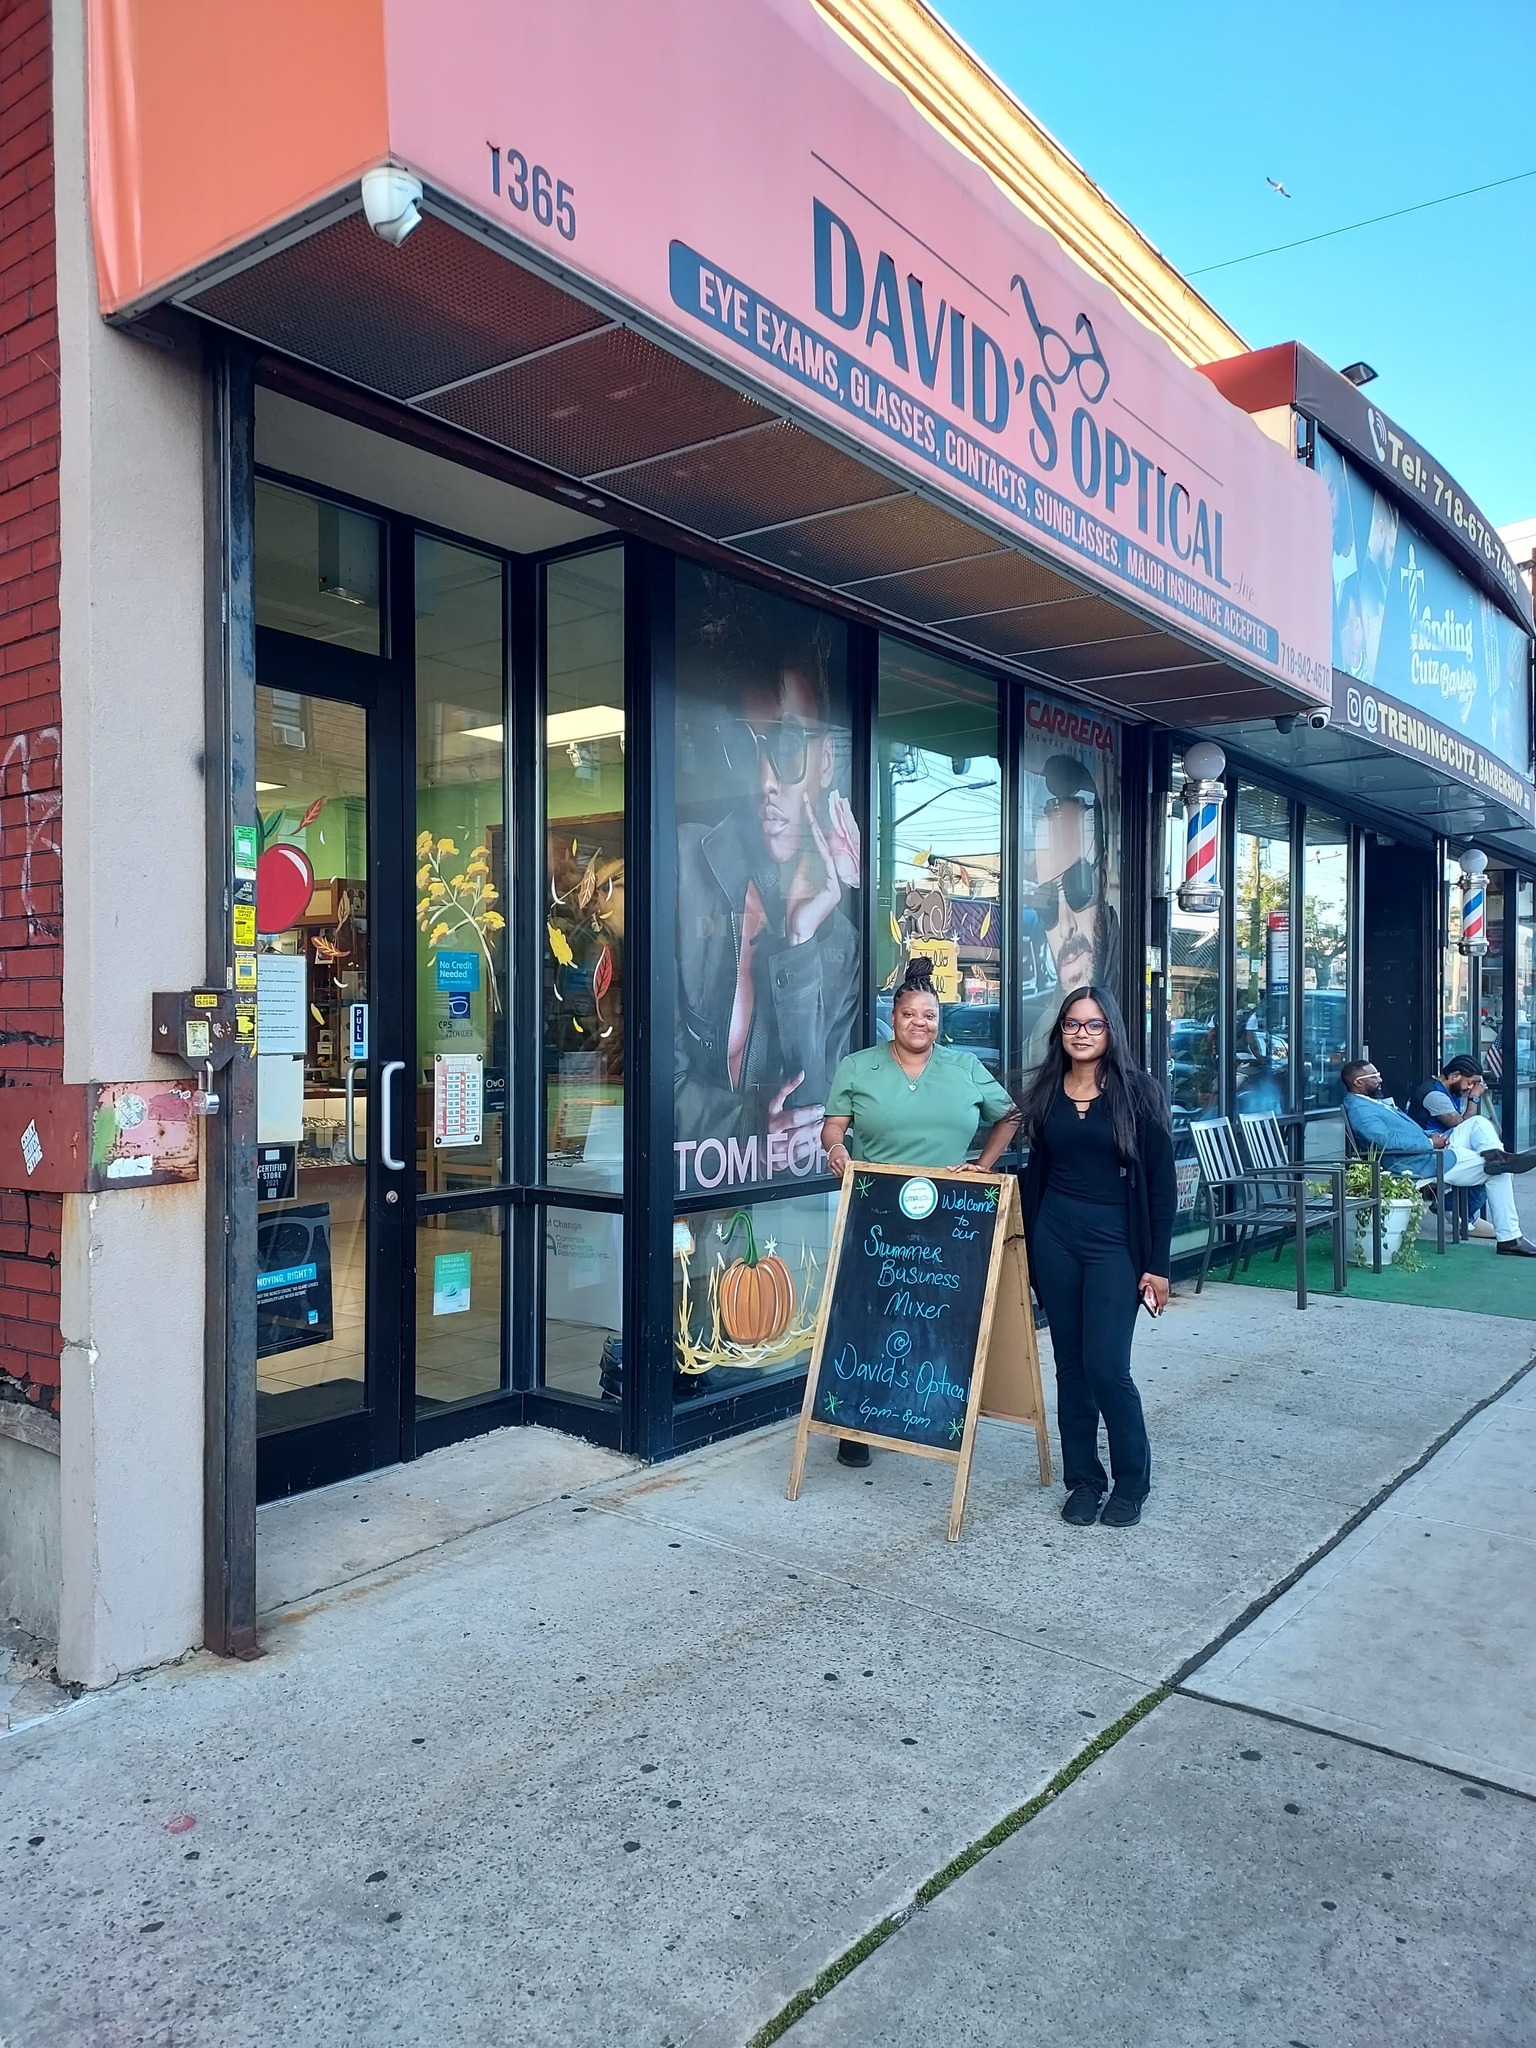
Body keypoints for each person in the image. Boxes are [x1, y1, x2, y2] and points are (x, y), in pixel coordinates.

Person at [820, 957, 1022, 1468]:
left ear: (939, 1020)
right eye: (910, 1014)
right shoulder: (858, 1066)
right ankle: (856, 1422)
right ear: (894, 1017)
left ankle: (928, 1412)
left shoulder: (964, 1067)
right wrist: (836, 1149)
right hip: (876, 1213)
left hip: (949, 1214)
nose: (920, 1023)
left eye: (930, 1015)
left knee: (938, 1315)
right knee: (867, 1314)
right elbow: (834, 1125)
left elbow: (1011, 1116)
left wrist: (982, 1165)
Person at [675, 644, 860, 1186]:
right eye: (746, 746)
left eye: (787, 745)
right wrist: (751, 1132)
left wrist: (800, 939)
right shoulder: (682, 868)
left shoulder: (840, 945)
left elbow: (816, 1105)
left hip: (786, 1204)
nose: (765, 780)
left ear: (826, 761)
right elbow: (649, 1083)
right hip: (682, 1194)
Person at [1018, 985, 1174, 1530]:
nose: (1081, 1033)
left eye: (1093, 1024)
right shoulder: (1047, 1090)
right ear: (1060, 1030)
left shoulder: (1139, 1093)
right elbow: (1036, 1170)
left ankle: (1132, 1483)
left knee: (1107, 1368)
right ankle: (1084, 1480)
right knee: (1071, 1367)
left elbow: (1161, 1183)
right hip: (1055, 1239)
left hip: (1115, 1245)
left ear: (1112, 1032)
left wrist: (1158, 1265)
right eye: (1072, 1024)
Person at [1340, 1060, 1536, 1256]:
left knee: (1477, 1122)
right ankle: (1509, 1238)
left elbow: (1406, 1132)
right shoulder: (1359, 1108)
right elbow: (1385, 1141)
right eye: (1374, 1076)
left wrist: (1430, 1137)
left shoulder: (1369, 1102)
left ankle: (1496, 1156)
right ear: (1358, 1082)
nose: (1380, 1079)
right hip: (1415, 1161)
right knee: (1500, 1172)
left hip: (1426, 1148)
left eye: (1378, 1074)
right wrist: (1429, 1143)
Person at [1410, 1055, 1493, 1235]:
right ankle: (1454, 1208)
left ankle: (1464, 1213)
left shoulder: (1448, 1091)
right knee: (1487, 1163)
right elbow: (1462, 1125)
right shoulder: (1434, 1095)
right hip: (1431, 1148)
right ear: (1455, 1076)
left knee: (1491, 1158)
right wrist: (1474, 1098)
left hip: (1444, 1144)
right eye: (1469, 1083)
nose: (1470, 1088)